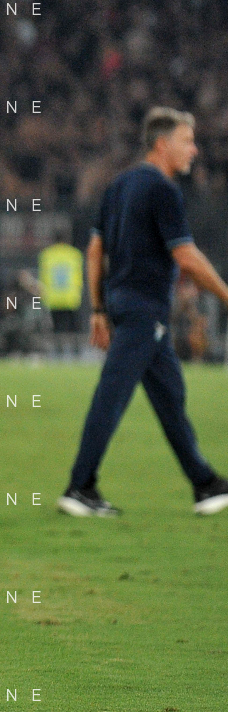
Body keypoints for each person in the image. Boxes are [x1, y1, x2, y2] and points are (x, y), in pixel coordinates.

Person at [59, 108, 228, 517]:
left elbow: (95, 250)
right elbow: (185, 256)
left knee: (170, 396)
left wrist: (99, 309)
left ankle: (205, 483)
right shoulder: (162, 190)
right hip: (144, 310)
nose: (194, 149)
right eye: (187, 141)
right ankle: (80, 486)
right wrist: (226, 293)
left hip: (124, 304)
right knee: (112, 395)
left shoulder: (119, 185)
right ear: (162, 144)